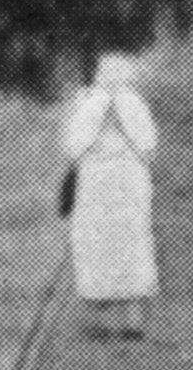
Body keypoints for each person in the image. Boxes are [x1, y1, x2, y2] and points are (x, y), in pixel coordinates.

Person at [57, 47, 160, 340]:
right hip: (130, 180)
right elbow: (149, 145)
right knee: (132, 242)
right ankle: (133, 320)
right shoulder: (135, 104)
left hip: (95, 181)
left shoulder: (88, 102)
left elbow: (72, 146)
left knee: (96, 242)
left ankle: (98, 321)